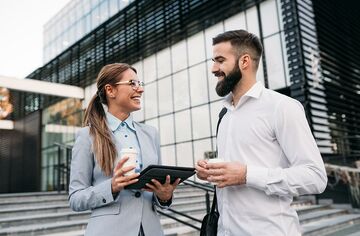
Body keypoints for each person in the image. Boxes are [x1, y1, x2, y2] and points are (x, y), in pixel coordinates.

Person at [196, 30, 327, 235]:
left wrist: (247, 175)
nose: (213, 68)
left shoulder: (282, 107)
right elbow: (233, 171)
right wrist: (211, 173)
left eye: (220, 60)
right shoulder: (225, 114)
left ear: (244, 61)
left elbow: (315, 177)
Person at [69, 63, 180, 236]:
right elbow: (75, 198)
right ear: (110, 90)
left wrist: (164, 195)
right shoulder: (87, 136)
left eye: (139, 83)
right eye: (132, 83)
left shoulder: (151, 133)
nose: (140, 89)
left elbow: (156, 193)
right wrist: (111, 186)